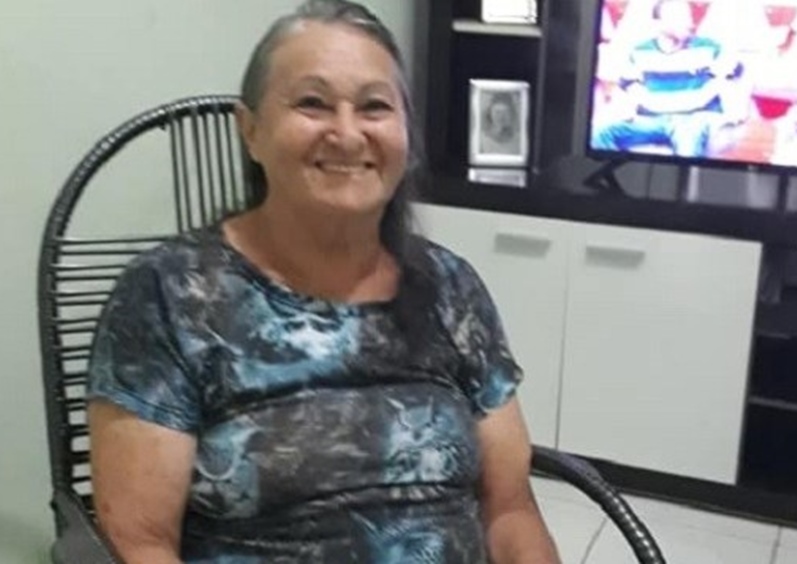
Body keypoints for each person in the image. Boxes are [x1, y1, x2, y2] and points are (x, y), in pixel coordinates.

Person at [86, 1, 561, 563]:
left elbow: (510, 510)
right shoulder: (169, 295)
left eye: (375, 106)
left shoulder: (450, 289)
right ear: (251, 131)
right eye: (312, 103)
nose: (347, 133)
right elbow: (141, 542)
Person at [591, 0, 744, 157]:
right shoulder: (639, 52)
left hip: (692, 119)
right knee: (598, 132)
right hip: (653, 120)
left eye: (688, 16)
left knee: (687, 146)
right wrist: (631, 107)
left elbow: (732, 70)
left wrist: (719, 89)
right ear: (658, 24)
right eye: (679, 17)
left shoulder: (709, 47)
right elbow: (630, 88)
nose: (688, 22)